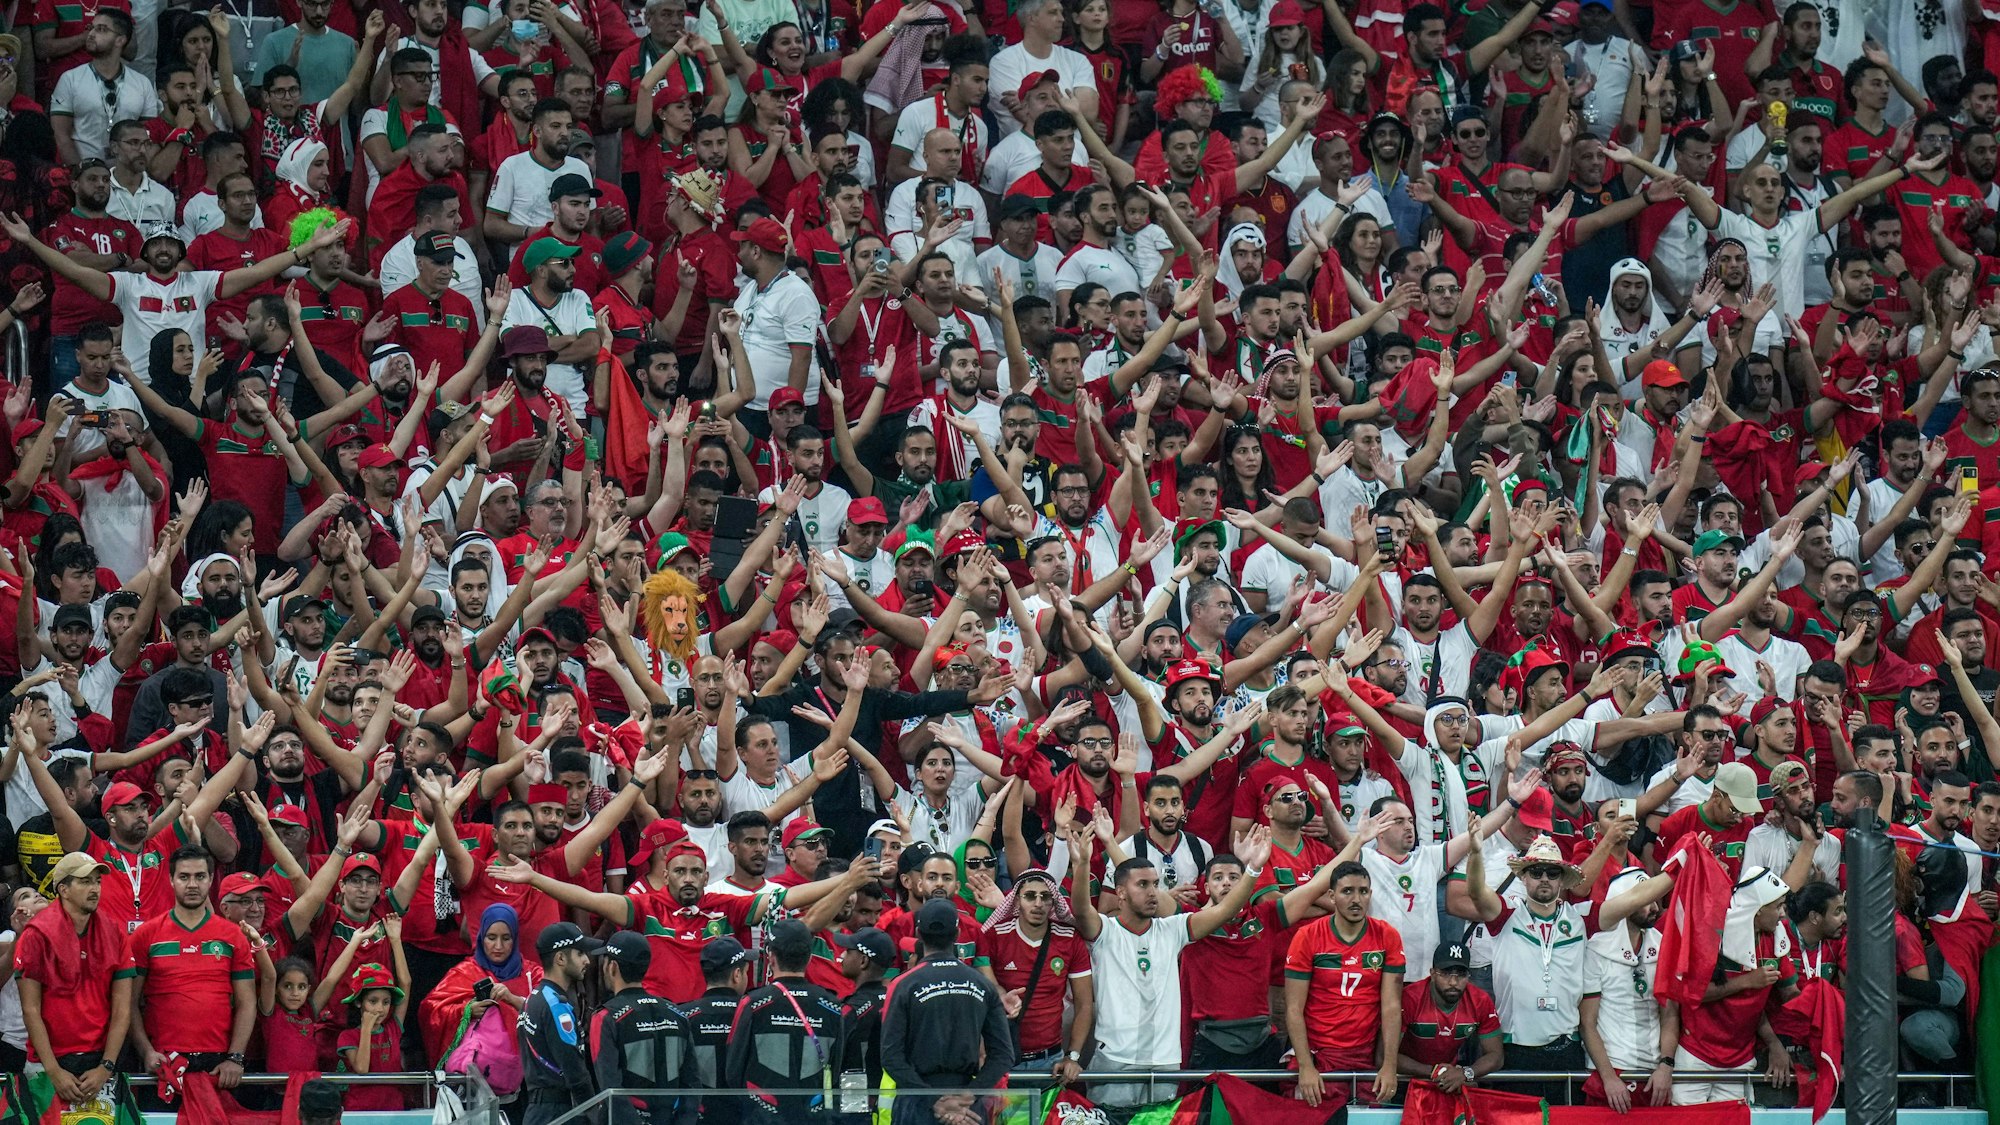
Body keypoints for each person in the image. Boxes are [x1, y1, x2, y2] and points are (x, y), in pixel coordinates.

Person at [879, 899, 1014, 1124]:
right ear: (957, 934)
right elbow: (1003, 1054)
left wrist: (933, 1100)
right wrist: (969, 1096)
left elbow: (891, 1056)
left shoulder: (903, 985)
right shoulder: (983, 984)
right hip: (968, 1107)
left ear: (918, 934)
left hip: (917, 1102)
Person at [590, 931, 698, 1125]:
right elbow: (692, 1083)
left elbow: (609, 1087)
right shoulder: (676, 1013)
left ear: (612, 967)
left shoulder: (606, 1017)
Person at [517, 922, 600, 1125]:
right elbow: (574, 1070)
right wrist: (595, 1114)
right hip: (559, 1113)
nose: (587, 960)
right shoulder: (556, 1006)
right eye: (580, 953)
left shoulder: (532, 998)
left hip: (538, 1110)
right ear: (560, 958)